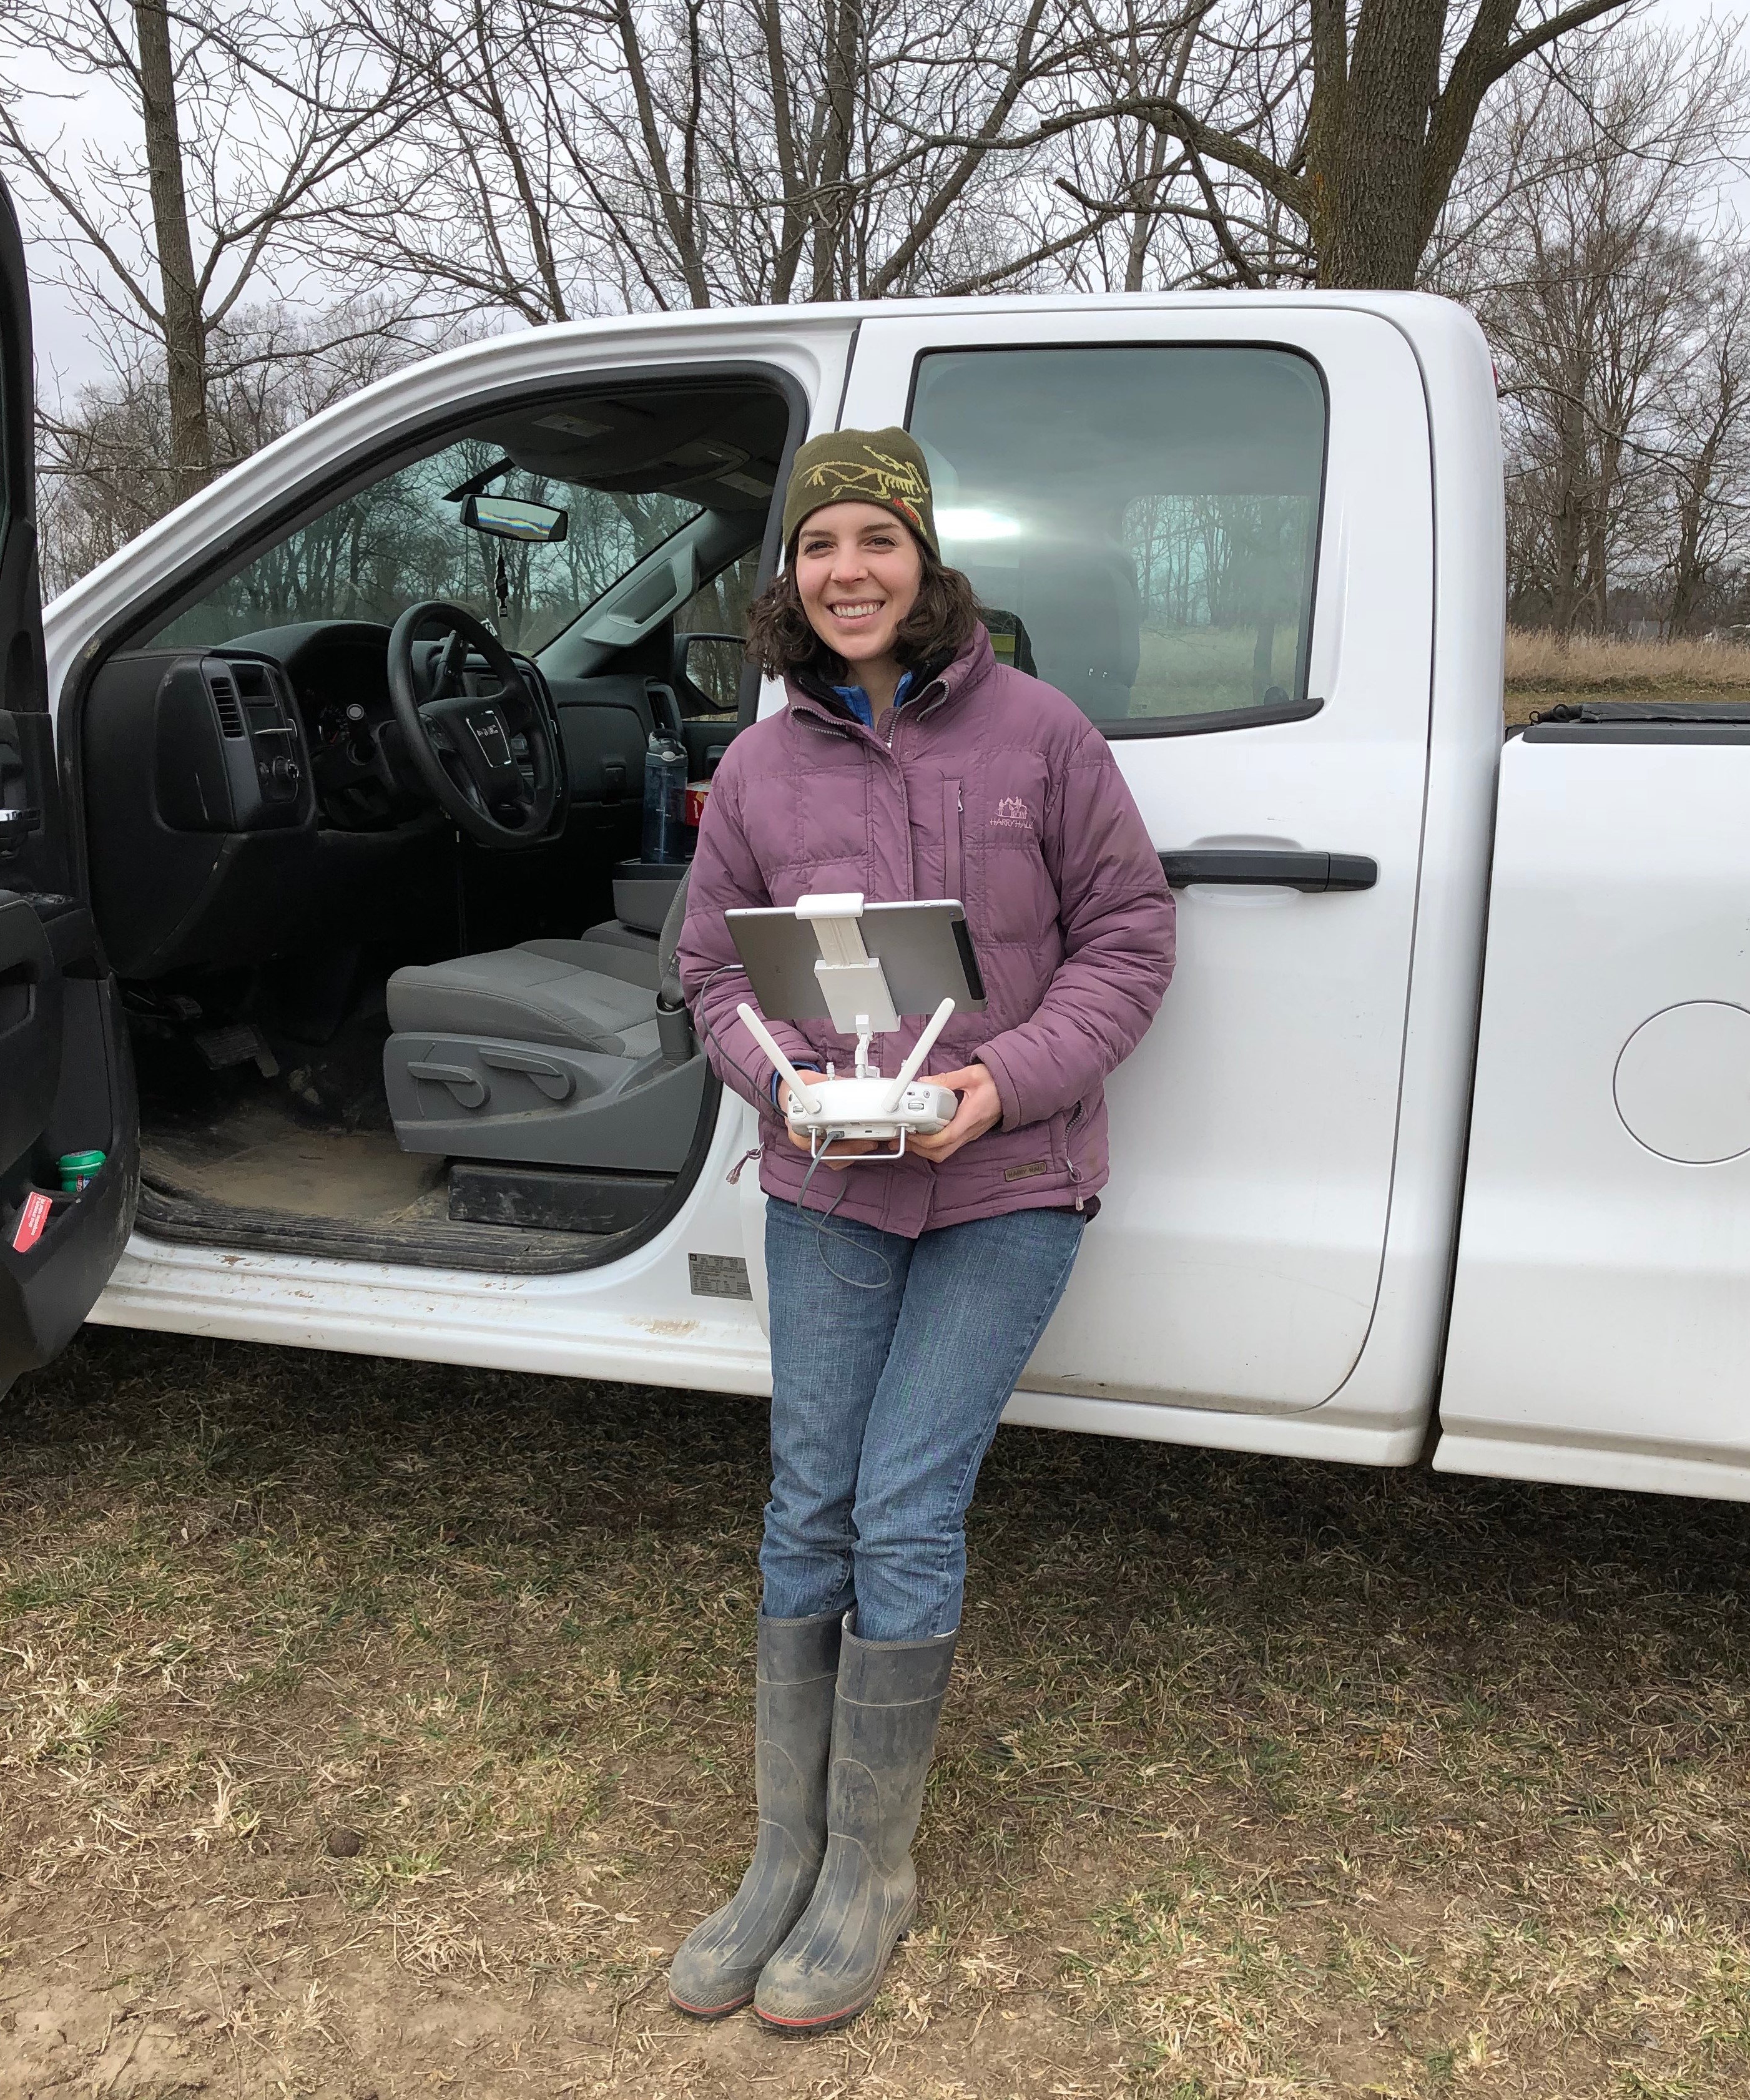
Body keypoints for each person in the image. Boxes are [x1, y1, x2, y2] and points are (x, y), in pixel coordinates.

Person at [671, 427, 1175, 2035]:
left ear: (927, 558)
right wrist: (781, 1089)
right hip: (828, 1184)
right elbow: (712, 977)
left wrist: (1002, 1086)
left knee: (901, 1507)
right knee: (804, 1500)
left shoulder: (1041, 734)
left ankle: (871, 1873)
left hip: (1004, 1184)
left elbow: (1130, 939)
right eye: (821, 549)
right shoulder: (760, 767)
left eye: (877, 543)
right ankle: (783, 1855)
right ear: (791, 579)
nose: (849, 575)